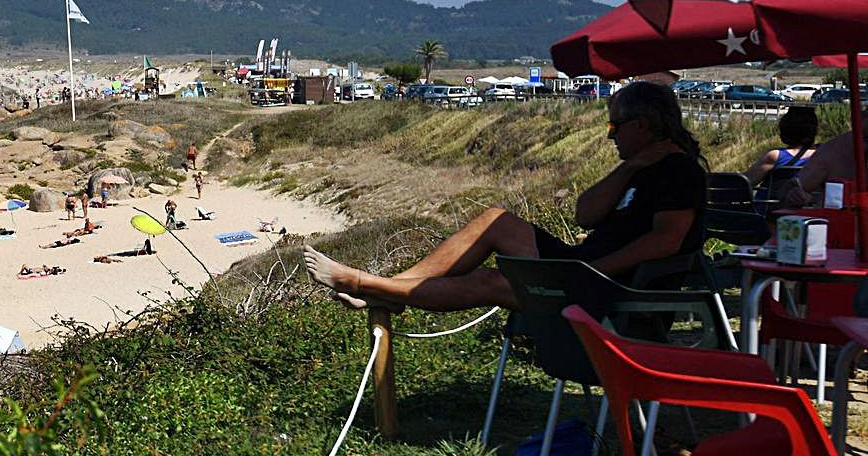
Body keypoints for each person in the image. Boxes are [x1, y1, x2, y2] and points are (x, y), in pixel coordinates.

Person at [303, 81, 707, 311]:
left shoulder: (679, 171)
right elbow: (586, 215)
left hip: (609, 285)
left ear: (642, 125)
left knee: (490, 282)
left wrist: (596, 269)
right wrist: (631, 167)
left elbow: (666, 240)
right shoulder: (641, 167)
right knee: (495, 220)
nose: (611, 135)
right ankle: (388, 289)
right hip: (585, 267)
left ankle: (364, 283)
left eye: (615, 127)